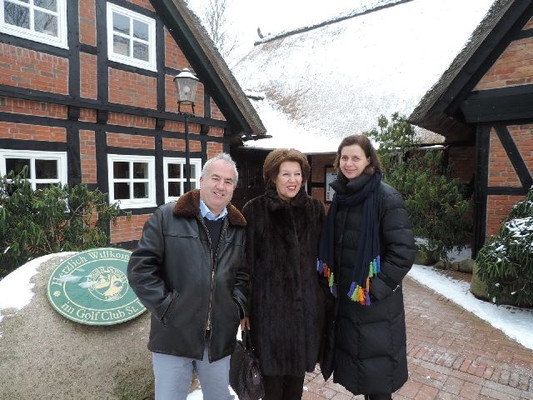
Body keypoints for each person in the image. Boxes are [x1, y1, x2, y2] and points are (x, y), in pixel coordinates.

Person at [127, 153, 248, 400]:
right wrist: (167, 307)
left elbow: (243, 276)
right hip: (173, 335)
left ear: (233, 189)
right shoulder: (167, 216)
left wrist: (235, 307)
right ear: (201, 180)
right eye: (215, 178)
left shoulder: (239, 227)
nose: (221, 186)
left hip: (217, 340)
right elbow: (141, 269)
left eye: (228, 182)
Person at [318, 135, 416, 400]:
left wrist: (375, 289)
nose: (349, 163)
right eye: (344, 158)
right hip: (348, 302)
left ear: (369, 160)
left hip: (374, 306)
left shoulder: (386, 197)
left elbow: (403, 252)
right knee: (360, 372)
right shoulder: (342, 197)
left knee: (378, 382)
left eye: (356, 158)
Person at [242, 148, 327, 400]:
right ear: (273, 177)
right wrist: (244, 309)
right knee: (271, 386)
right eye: (286, 174)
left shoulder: (314, 209)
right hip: (269, 315)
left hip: (305, 313)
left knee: (295, 385)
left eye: (297, 174)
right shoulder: (255, 210)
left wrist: (322, 298)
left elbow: (323, 260)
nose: (293, 180)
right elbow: (245, 264)